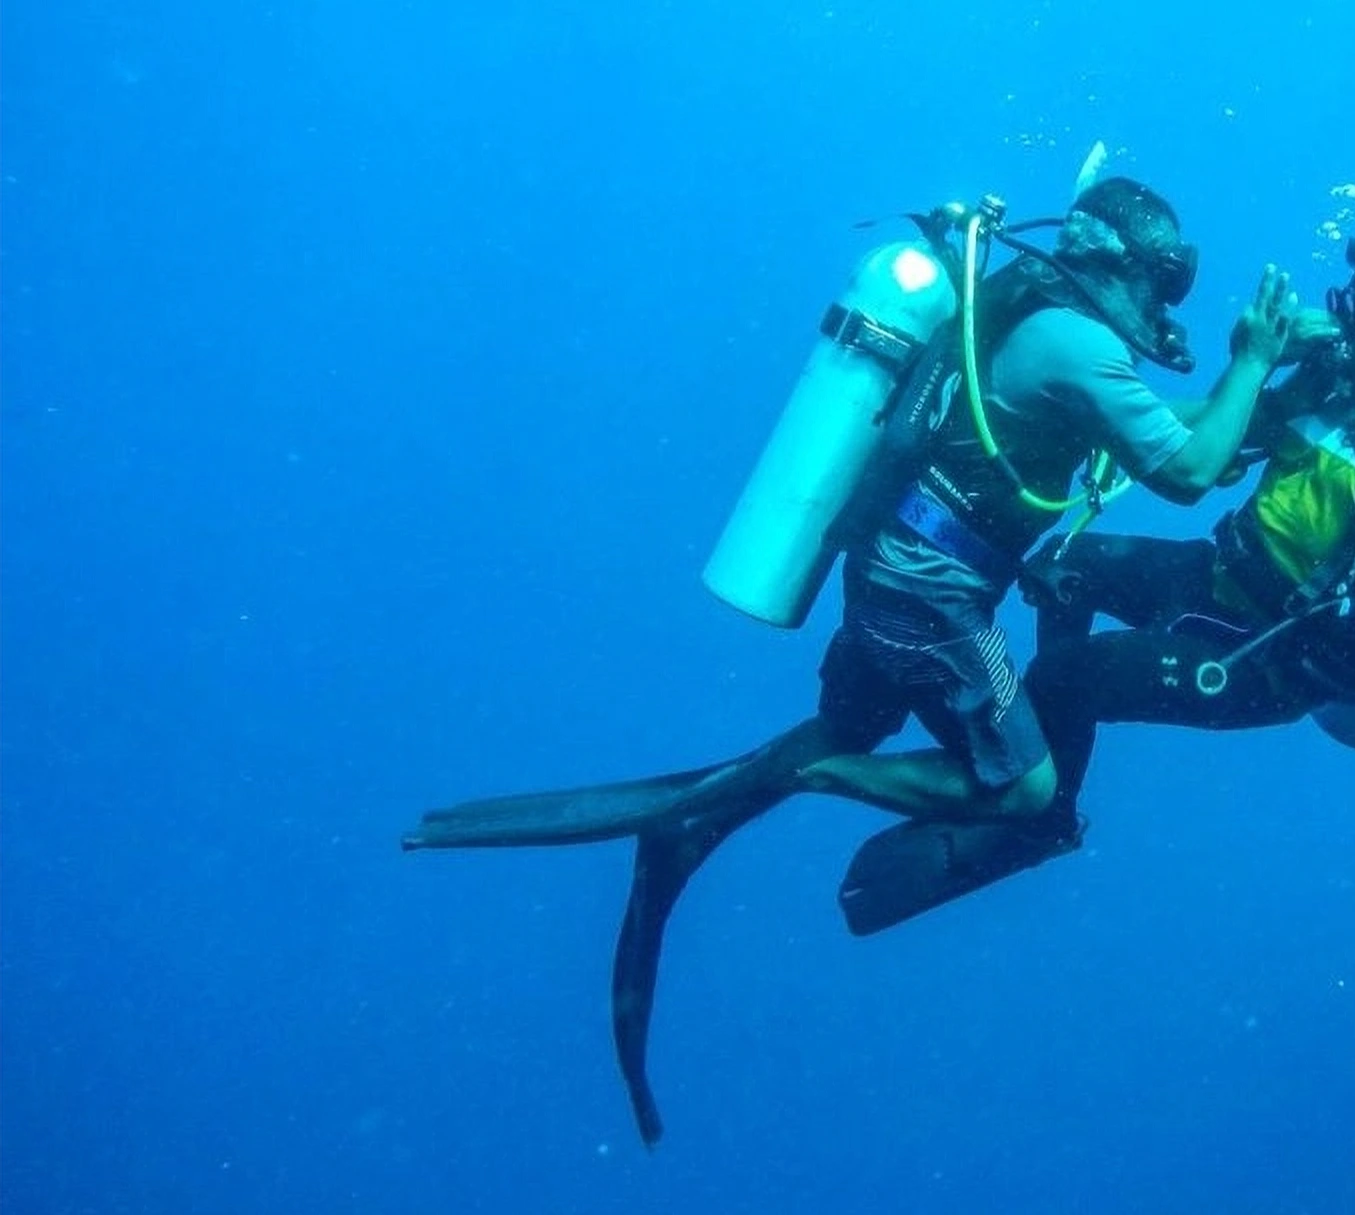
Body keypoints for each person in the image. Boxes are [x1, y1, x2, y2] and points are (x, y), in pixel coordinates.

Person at [403, 174, 1298, 1146]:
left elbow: (1163, 426)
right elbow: (1187, 472)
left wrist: (1262, 394)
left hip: (890, 565)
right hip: (936, 599)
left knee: (853, 722)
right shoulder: (1076, 343)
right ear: (1119, 261)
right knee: (1026, 787)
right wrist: (1253, 359)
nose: (1167, 302)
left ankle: (699, 821)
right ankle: (786, 782)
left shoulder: (1040, 315)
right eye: (1166, 277)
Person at [1012, 233, 1355, 839]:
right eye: (1344, 300)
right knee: (1063, 563)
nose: (1343, 322)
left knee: (1065, 677)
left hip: (1273, 656)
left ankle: (1043, 818)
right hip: (1218, 579)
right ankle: (1044, 765)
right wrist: (1258, 362)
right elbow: (1201, 448)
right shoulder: (1332, 383)